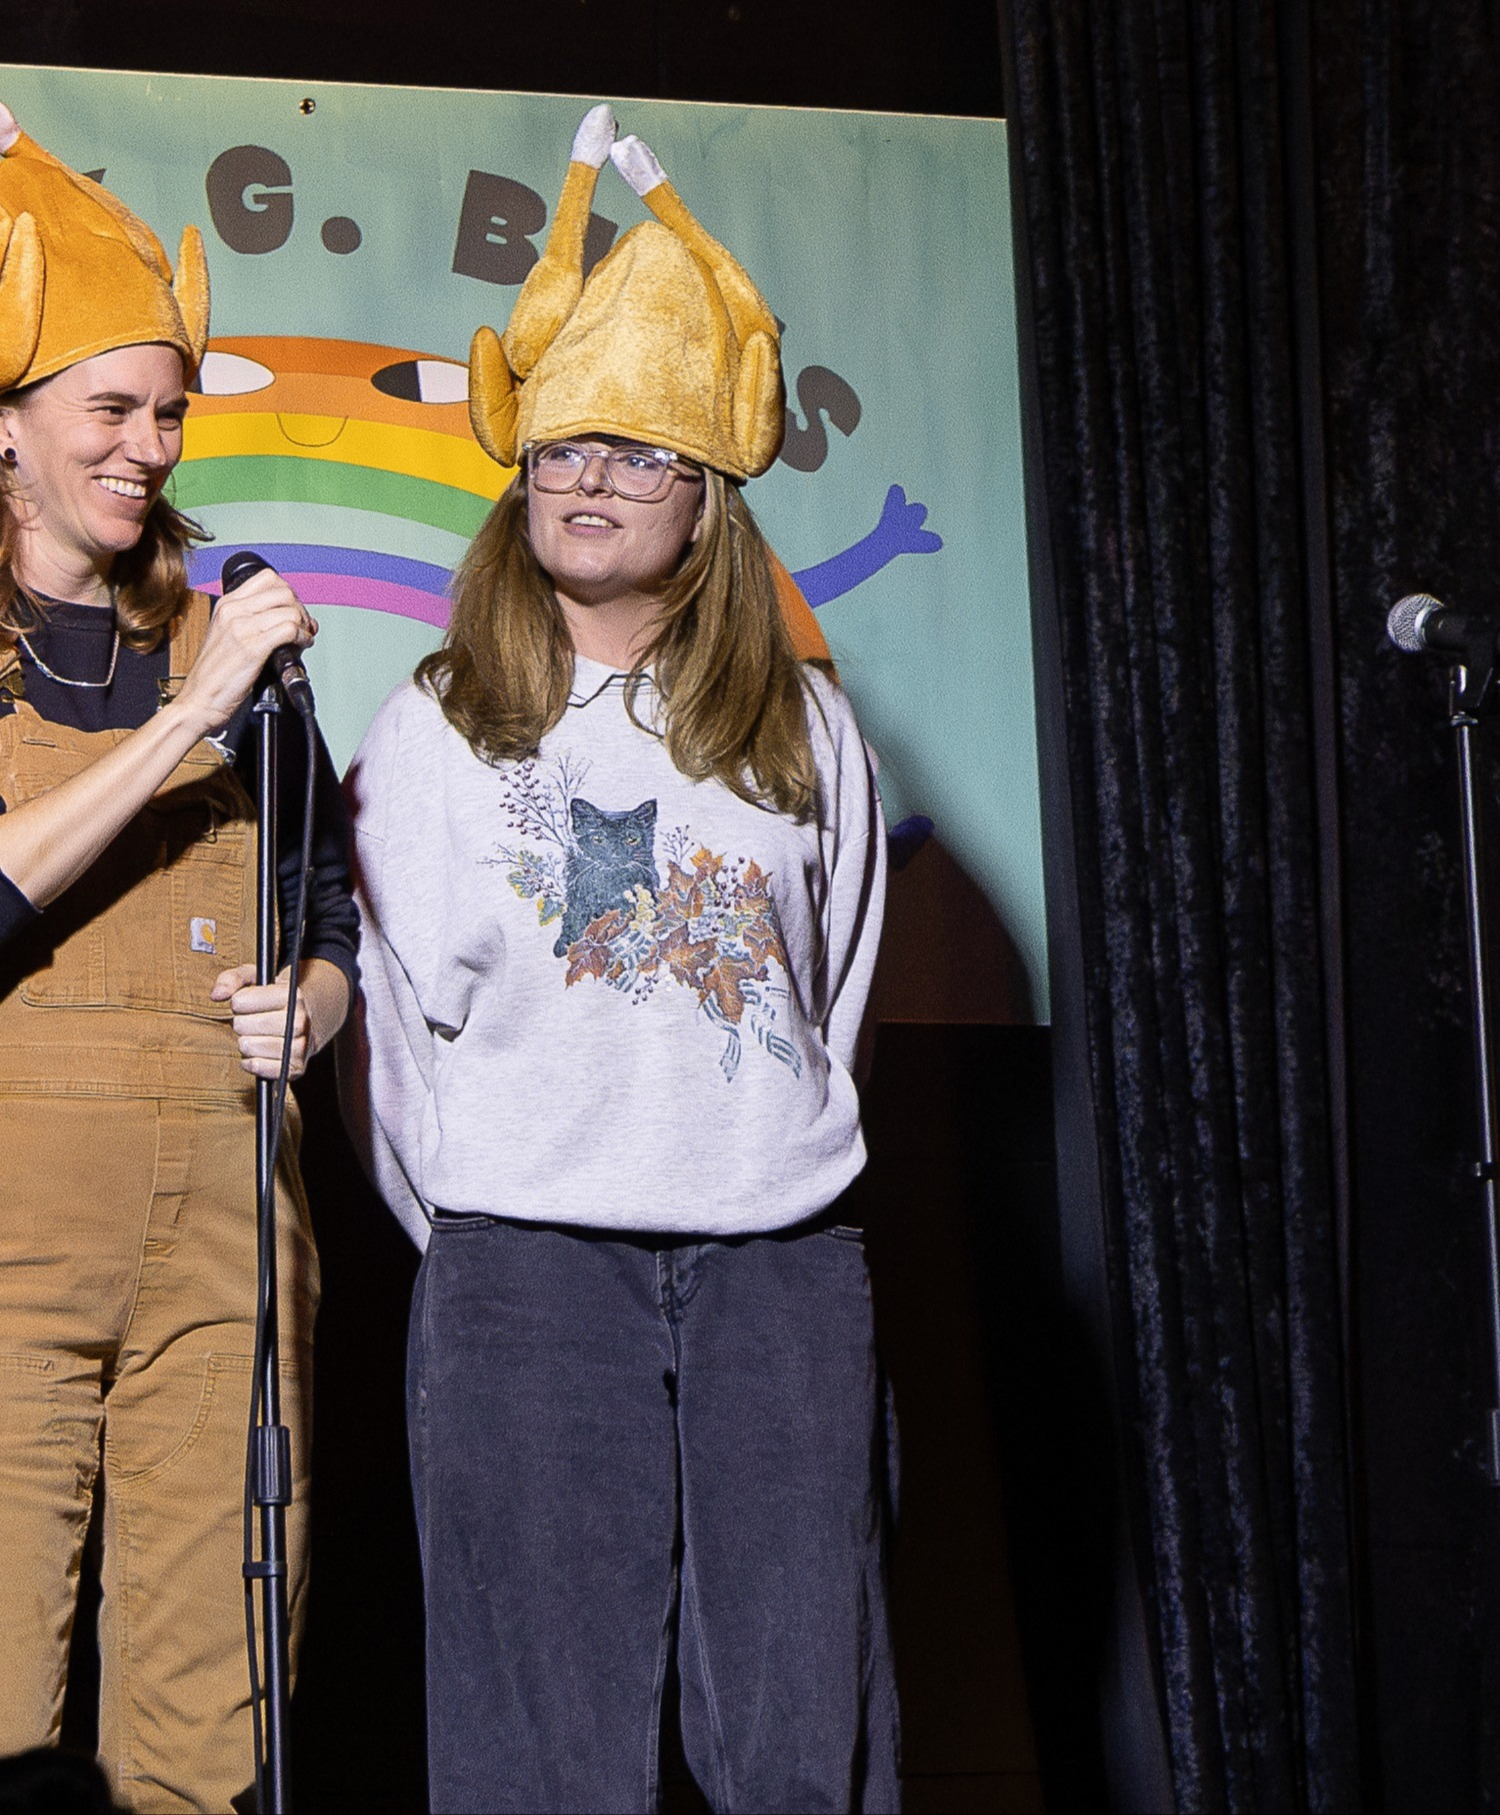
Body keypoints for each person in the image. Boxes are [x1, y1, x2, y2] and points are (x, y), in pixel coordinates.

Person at [339, 105, 895, 1813]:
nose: (586, 481)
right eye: (560, 450)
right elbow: (400, 1019)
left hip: (778, 1268)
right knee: (537, 1751)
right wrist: (494, 1228)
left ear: (709, 496)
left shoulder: (800, 724)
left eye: (633, 454)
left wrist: (755, 1162)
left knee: (802, 1740)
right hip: (524, 1270)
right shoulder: (438, 726)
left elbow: (838, 974)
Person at [0, 106, 357, 1807]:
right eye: (107, 411)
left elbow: (331, 908)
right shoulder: (210, 677)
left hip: (225, 1240)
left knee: (210, 1726)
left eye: (165, 412)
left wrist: (324, 999)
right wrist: (190, 722)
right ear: (9, 428)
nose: (147, 447)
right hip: (7, 1252)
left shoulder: (240, 639)